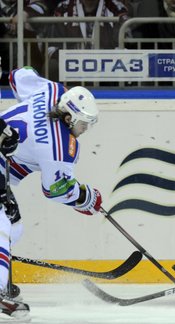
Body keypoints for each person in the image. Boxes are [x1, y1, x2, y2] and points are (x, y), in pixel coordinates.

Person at [0, 67, 103, 319]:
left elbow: (19, 75)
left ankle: (5, 283)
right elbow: (56, 190)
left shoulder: (52, 91)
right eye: (83, 123)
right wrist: (87, 197)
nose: (85, 129)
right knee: (2, 227)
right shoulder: (59, 147)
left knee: (14, 227)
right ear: (69, 117)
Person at [0, 0, 50, 82]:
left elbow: (42, 5)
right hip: (4, 56)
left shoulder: (26, 3)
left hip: (27, 55)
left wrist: (23, 13)